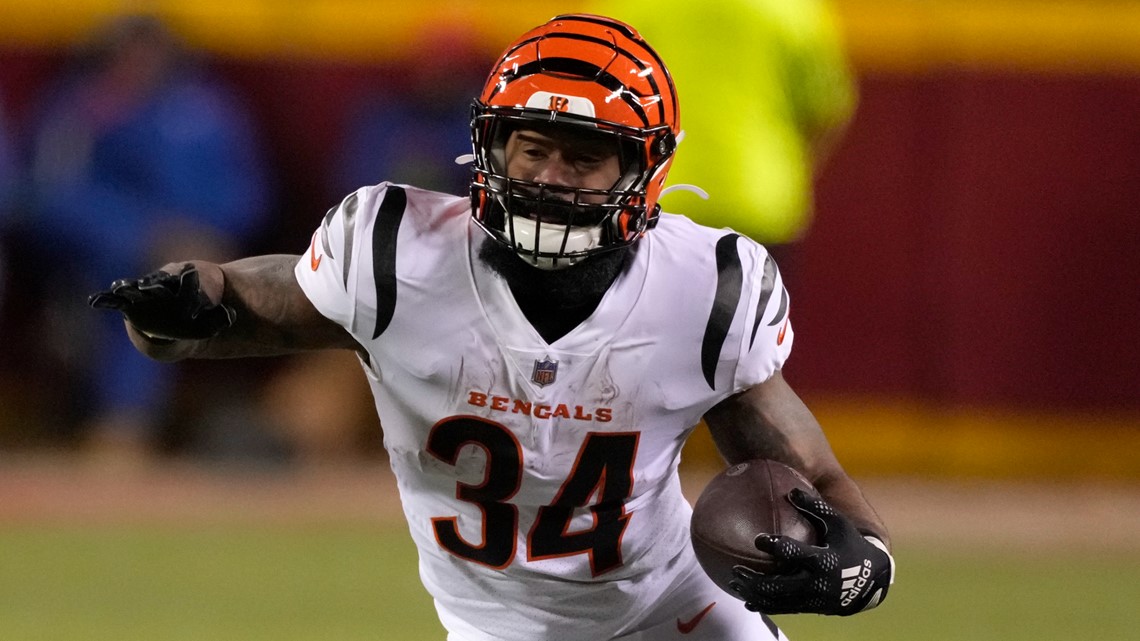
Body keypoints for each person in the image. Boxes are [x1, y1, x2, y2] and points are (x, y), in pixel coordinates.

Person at [89, 14, 894, 640]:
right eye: (532, 149)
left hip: (676, 610)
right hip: (493, 625)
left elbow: (812, 476)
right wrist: (184, 305)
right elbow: (249, 303)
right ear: (490, 148)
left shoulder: (702, 291)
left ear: (645, 173)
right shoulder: (397, 256)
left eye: (582, 160)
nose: (548, 178)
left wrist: (860, 561)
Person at [26, 14, 270, 459]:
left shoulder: (207, 109)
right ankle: (123, 426)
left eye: (150, 50)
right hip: (100, 256)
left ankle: (251, 424)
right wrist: (145, 233)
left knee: (238, 281)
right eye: (127, 51)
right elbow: (51, 195)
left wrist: (209, 234)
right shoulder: (81, 109)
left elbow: (248, 189)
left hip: (208, 251)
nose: (139, 61)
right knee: (142, 288)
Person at [594, 0, 857, 277]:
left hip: (654, 198)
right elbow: (826, 110)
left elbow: (596, 93)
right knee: (754, 318)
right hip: (759, 202)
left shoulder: (629, 7)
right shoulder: (793, 9)